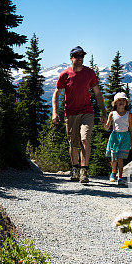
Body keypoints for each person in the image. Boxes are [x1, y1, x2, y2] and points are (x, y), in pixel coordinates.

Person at [51, 46, 106, 183]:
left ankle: (84, 171)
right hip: (70, 113)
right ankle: (75, 169)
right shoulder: (65, 74)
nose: (80, 58)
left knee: (85, 139)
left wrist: (104, 112)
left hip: (87, 112)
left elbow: (97, 93)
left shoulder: (90, 73)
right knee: (73, 144)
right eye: (76, 56)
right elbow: (56, 94)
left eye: (82, 56)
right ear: (71, 58)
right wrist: (54, 112)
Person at [103, 92, 132, 185]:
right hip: (115, 137)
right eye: (119, 101)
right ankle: (113, 173)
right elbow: (107, 127)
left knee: (120, 158)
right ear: (115, 103)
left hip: (125, 137)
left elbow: (131, 129)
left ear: (126, 103)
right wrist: (104, 123)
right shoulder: (112, 114)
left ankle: (120, 177)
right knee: (114, 158)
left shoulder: (128, 114)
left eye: (123, 101)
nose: (121, 103)